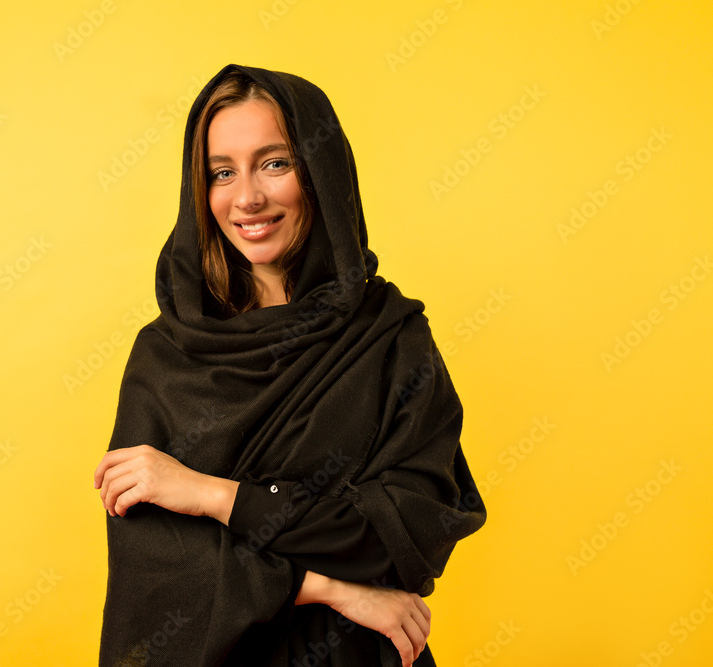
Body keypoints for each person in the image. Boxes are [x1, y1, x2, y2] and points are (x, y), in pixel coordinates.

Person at [93, 64, 486, 667]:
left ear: (321, 171)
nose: (247, 198)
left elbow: (403, 535)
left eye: (274, 163)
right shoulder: (167, 356)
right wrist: (330, 587)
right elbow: (155, 570)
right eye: (222, 172)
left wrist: (210, 494)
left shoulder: (391, 337)